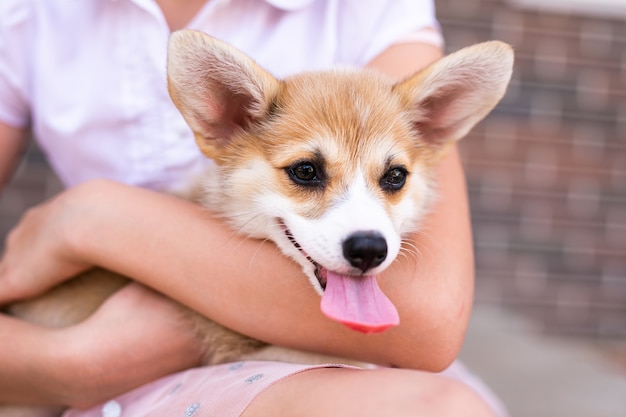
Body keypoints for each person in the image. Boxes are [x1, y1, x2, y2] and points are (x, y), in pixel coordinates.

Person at [0, 0, 507, 416]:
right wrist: (69, 363)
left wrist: (94, 217)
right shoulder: (27, 15)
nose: (365, 229)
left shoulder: (367, 10)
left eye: (391, 178)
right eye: (306, 173)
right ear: (228, 120)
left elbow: (429, 325)